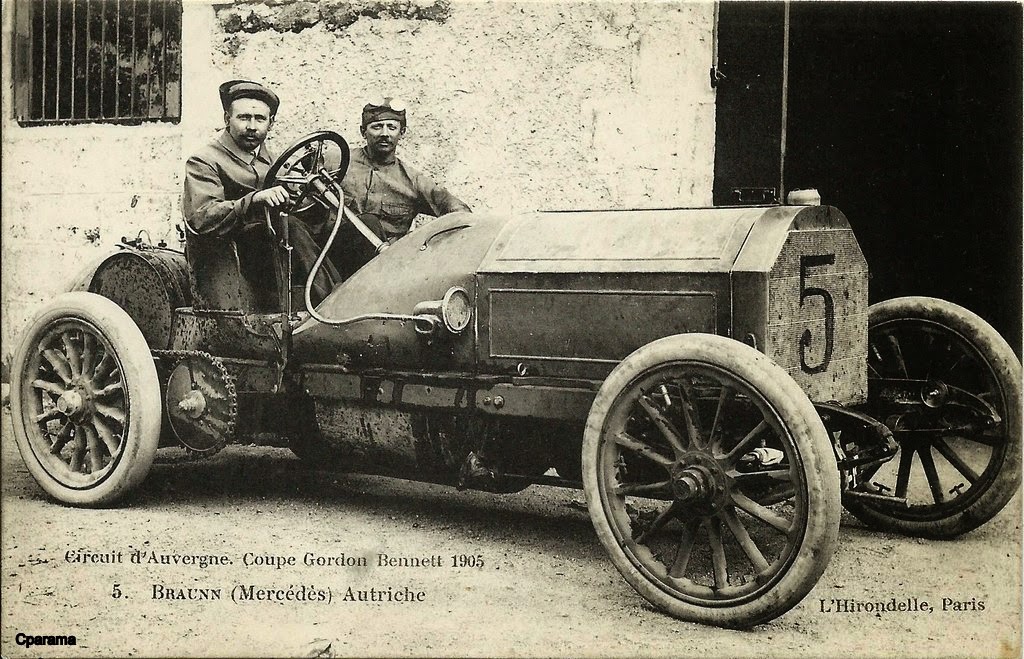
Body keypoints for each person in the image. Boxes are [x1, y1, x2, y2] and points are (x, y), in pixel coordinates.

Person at [182, 79, 339, 309]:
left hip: (279, 251)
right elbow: (202, 217)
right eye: (244, 117)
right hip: (233, 254)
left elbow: (304, 210)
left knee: (357, 225)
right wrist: (255, 199)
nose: (252, 126)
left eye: (260, 119)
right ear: (227, 119)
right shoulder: (204, 161)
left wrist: (314, 198)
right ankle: (333, 305)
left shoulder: (279, 163)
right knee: (289, 227)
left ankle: (365, 302)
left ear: (271, 123)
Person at [325, 97, 472, 278]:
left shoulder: (413, 181)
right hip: (332, 262)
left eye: (391, 127)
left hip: (385, 272)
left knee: (370, 222)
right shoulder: (336, 162)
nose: (384, 133)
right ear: (363, 132)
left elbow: (458, 211)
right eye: (377, 127)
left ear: (402, 132)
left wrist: (429, 248)